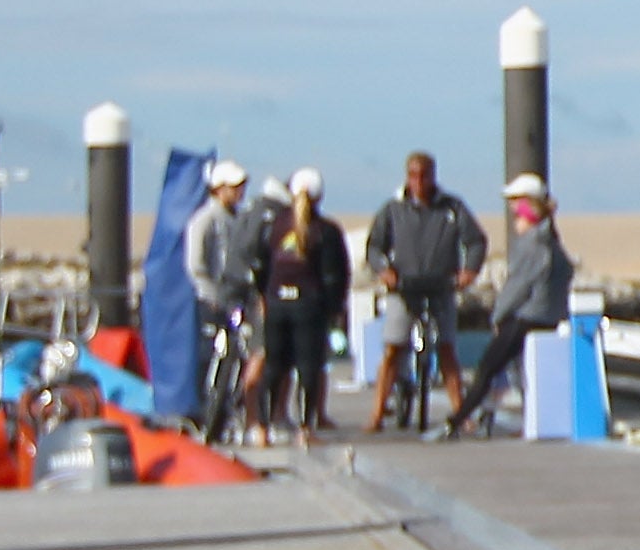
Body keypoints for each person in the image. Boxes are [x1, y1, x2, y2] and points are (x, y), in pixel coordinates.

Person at [362, 152, 489, 436]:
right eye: (413, 175)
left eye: (424, 175)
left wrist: (469, 271)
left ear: (433, 176)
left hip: (441, 286)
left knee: (446, 348)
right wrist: (384, 270)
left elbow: (476, 241)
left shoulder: (452, 207)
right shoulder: (393, 209)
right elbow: (374, 247)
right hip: (403, 287)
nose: (419, 181)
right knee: (394, 347)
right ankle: (377, 413)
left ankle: (461, 413)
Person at [443, 172, 567, 438]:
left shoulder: (534, 243)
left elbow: (518, 286)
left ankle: (456, 420)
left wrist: (498, 316)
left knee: (488, 367)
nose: (512, 214)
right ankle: (527, 419)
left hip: (527, 316)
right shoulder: (551, 243)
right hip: (548, 316)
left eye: (516, 207)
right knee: (521, 372)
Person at [256, 171, 347, 440]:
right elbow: (334, 274)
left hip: (276, 302)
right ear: (319, 195)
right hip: (309, 304)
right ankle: (306, 428)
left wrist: (264, 296)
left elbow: (261, 265)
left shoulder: (274, 226)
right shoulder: (326, 230)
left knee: (273, 365)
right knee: (308, 366)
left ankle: (262, 427)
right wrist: (334, 309)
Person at [182, 157, 264, 436]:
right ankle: (203, 415)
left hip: (235, 301)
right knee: (210, 361)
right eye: (234, 187)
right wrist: (215, 296)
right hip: (211, 303)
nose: (240, 193)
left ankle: (226, 415)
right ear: (219, 188)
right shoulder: (204, 220)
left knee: (235, 360)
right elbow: (196, 265)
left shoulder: (238, 220)